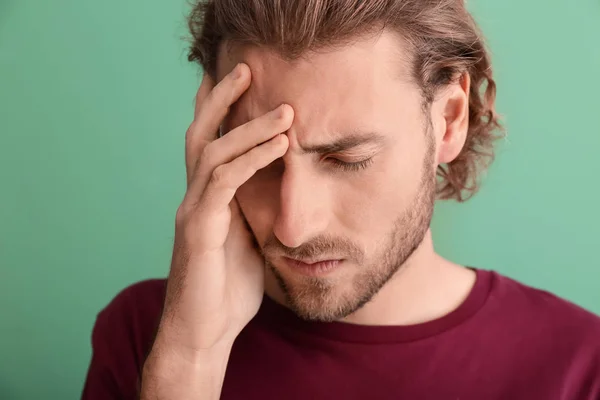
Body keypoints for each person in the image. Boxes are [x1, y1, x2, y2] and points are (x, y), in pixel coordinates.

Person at [81, 1, 600, 399]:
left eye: (348, 160)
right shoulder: (148, 339)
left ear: (448, 119)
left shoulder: (580, 368)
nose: (292, 227)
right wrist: (190, 361)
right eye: (258, 160)